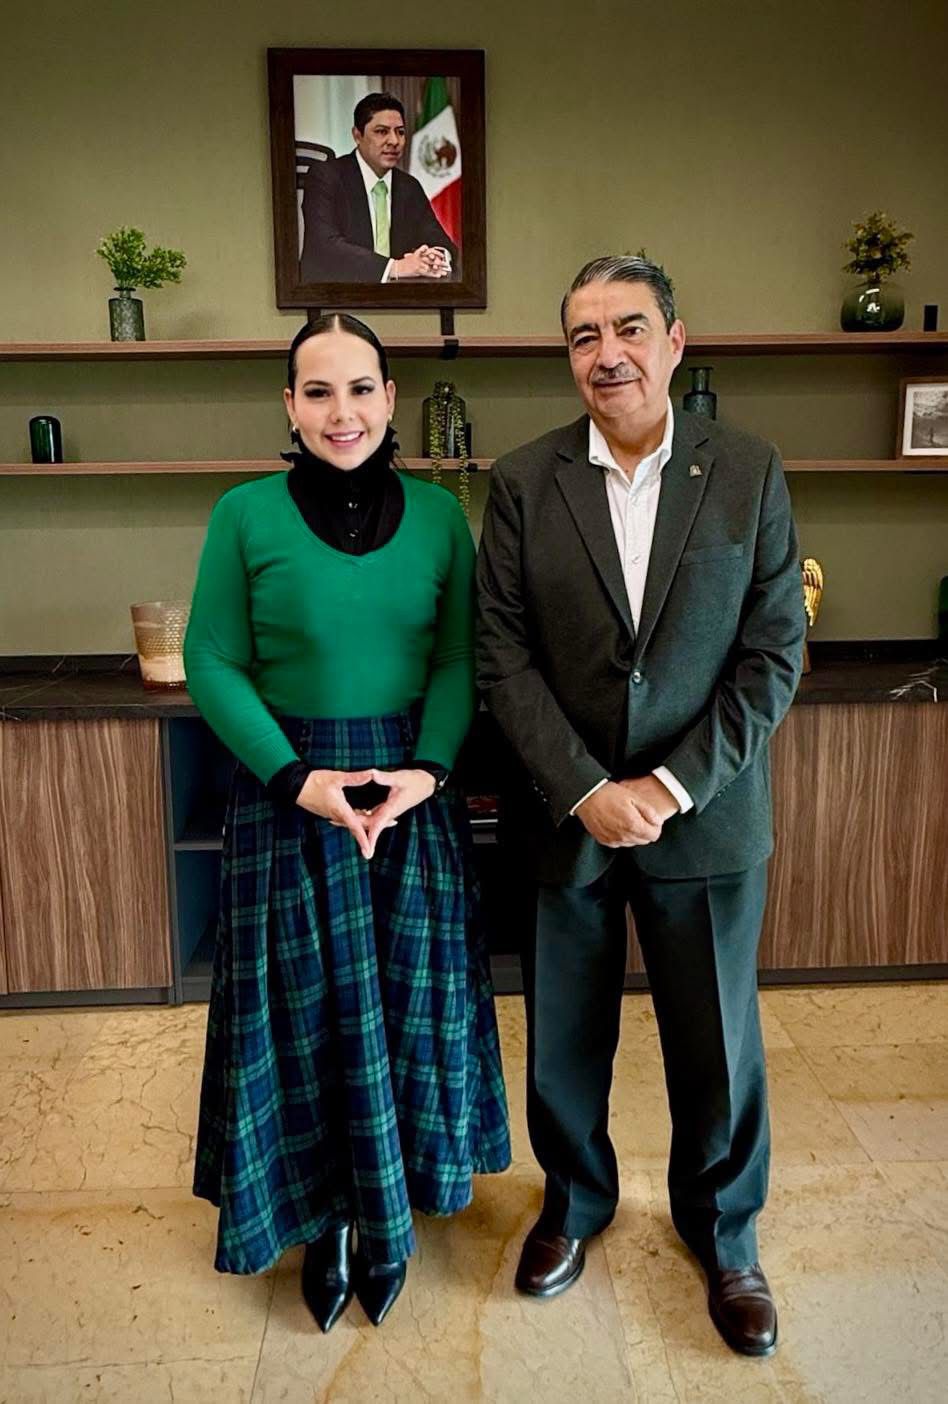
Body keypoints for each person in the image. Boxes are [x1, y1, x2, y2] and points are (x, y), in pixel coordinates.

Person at [476, 255, 805, 1358]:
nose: (607, 353)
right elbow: (501, 656)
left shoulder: (749, 470)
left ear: (674, 340)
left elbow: (772, 654)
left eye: (628, 328)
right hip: (563, 815)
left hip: (703, 815)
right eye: (584, 336)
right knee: (563, 1035)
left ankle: (725, 1232)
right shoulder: (523, 482)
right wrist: (585, 790)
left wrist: (665, 788)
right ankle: (574, 1203)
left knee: (718, 1044)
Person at [184, 313, 510, 1331]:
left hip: (411, 794)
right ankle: (321, 1221)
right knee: (300, 1015)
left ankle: (385, 1219)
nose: (342, 412)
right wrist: (297, 780)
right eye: (318, 391)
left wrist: (427, 771)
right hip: (289, 793)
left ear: (390, 397)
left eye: (361, 388)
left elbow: (457, 658)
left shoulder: (443, 517)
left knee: (409, 1009)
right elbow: (210, 658)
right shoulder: (242, 515)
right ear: (289, 405)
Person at [300, 92, 457, 284]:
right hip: (336, 294)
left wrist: (435, 257)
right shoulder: (326, 176)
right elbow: (325, 247)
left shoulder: (409, 186)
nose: (394, 141)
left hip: (399, 298)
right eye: (382, 132)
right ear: (357, 135)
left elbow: (439, 240)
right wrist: (395, 267)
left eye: (400, 132)